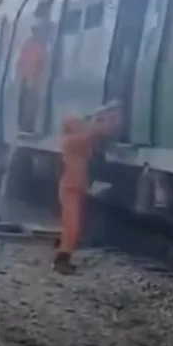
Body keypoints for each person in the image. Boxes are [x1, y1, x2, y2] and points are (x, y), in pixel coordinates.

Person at [54, 103, 121, 275]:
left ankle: (63, 255)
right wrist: (108, 120)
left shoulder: (71, 139)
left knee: (71, 224)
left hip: (73, 186)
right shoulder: (75, 140)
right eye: (77, 122)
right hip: (71, 186)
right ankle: (62, 260)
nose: (80, 123)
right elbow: (95, 133)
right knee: (73, 225)